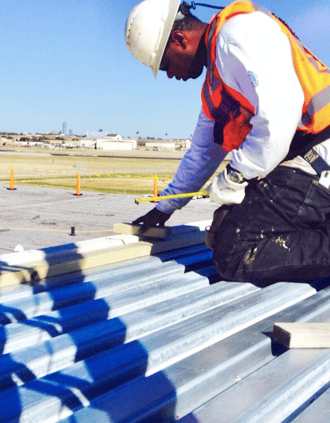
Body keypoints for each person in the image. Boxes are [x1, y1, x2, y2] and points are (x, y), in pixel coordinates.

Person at [125, 0, 330, 284]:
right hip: (305, 157)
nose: (171, 74)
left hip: (319, 153)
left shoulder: (236, 37)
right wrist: (164, 207)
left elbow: (280, 116)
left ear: (179, 39)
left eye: (166, 63)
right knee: (223, 232)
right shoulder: (217, 83)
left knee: (234, 251)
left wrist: (235, 177)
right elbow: (202, 154)